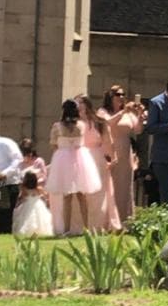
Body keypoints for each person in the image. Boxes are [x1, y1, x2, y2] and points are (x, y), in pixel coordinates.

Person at [46, 99, 101, 236]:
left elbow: (53, 144)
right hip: (79, 160)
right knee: (82, 196)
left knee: (67, 197)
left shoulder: (57, 127)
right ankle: (87, 227)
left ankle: (66, 229)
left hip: (63, 160)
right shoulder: (81, 125)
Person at [99, 85, 145, 225]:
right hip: (109, 151)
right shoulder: (103, 111)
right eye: (118, 94)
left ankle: (124, 219)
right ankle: (107, 220)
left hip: (125, 152)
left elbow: (137, 130)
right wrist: (123, 111)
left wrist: (140, 115)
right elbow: (107, 123)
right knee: (109, 185)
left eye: (123, 94)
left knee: (124, 187)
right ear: (110, 97)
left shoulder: (128, 114)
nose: (121, 97)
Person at [77, 94, 121, 232]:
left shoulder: (99, 122)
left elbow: (108, 141)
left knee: (98, 193)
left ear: (87, 104)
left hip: (96, 158)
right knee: (80, 193)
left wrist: (113, 157)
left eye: (80, 102)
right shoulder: (73, 123)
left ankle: (98, 224)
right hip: (79, 158)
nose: (78, 106)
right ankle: (80, 225)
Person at [12, 168, 54, 237]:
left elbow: (22, 196)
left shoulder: (24, 188)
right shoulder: (38, 188)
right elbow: (45, 195)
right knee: (40, 218)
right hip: (38, 204)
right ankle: (39, 231)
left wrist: (19, 202)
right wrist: (46, 200)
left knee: (26, 218)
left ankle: (28, 231)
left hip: (27, 204)